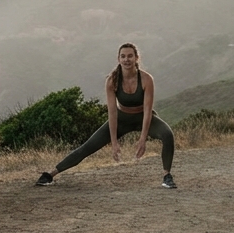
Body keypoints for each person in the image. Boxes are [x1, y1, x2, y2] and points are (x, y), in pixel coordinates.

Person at [35, 43, 177, 189]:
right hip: (121, 119)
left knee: (167, 134)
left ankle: (167, 176)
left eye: (130, 56)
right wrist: (114, 143)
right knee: (88, 146)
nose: (126, 59)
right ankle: (50, 174)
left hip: (143, 117)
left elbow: (147, 110)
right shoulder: (112, 80)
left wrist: (143, 139)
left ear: (136, 58)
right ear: (118, 59)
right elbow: (112, 112)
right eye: (123, 56)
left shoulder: (147, 79)